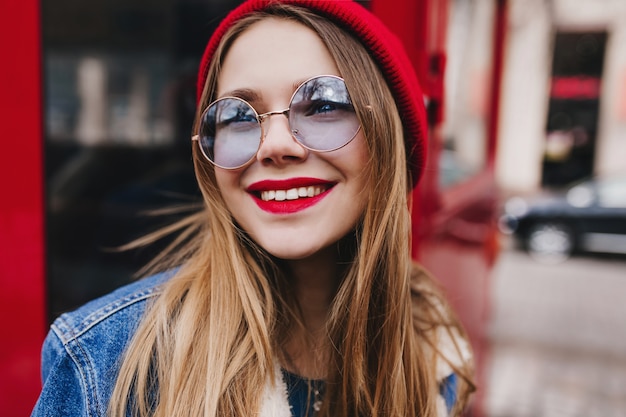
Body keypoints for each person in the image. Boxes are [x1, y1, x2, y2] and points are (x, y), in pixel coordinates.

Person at [32, 1, 474, 416]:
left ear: (389, 140)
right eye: (239, 117)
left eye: (322, 105)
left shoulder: (431, 351)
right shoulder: (104, 361)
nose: (276, 145)